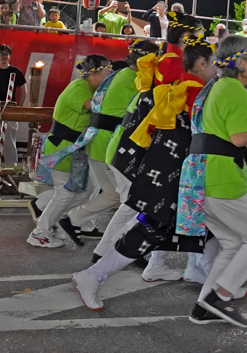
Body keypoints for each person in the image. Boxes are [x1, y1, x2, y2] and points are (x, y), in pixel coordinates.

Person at [71, 37, 219, 310]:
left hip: (172, 166)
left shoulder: (177, 80)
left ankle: (204, 273)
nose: (217, 69)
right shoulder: (191, 86)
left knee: (191, 222)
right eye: (213, 64)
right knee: (155, 225)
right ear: (200, 62)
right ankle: (93, 275)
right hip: (169, 168)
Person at [174, 35, 247, 327]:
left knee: (231, 243)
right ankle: (221, 295)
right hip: (223, 178)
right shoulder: (237, 92)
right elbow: (238, 139)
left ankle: (204, 307)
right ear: (241, 62)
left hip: (201, 174)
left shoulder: (217, 86)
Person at [93, 13, 204, 262]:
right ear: (187, 37)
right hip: (160, 141)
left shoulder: (168, 58)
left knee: (147, 204)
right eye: (199, 35)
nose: (203, 40)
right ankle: (113, 255)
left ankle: (125, 255)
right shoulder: (176, 62)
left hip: (150, 138)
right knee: (143, 204)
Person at [56, 40, 160, 248]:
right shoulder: (135, 79)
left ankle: (76, 219)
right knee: (131, 199)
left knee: (113, 194)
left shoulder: (121, 74)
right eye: (156, 58)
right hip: (109, 142)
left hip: (98, 140)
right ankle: (122, 246)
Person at [28, 55, 112, 248]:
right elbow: (96, 107)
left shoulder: (88, 88)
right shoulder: (78, 88)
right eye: (107, 71)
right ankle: (40, 232)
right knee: (65, 194)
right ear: (95, 73)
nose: (110, 75)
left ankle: (50, 212)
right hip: (62, 147)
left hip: (76, 149)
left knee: (87, 190)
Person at [0, 45, 27, 164]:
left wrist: (19, 108)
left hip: (10, 109)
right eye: (1, 54)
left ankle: (11, 168)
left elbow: (24, 90)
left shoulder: (15, 71)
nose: (3, 56)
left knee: (9, 141)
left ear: (10, 56)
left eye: (5, 54)